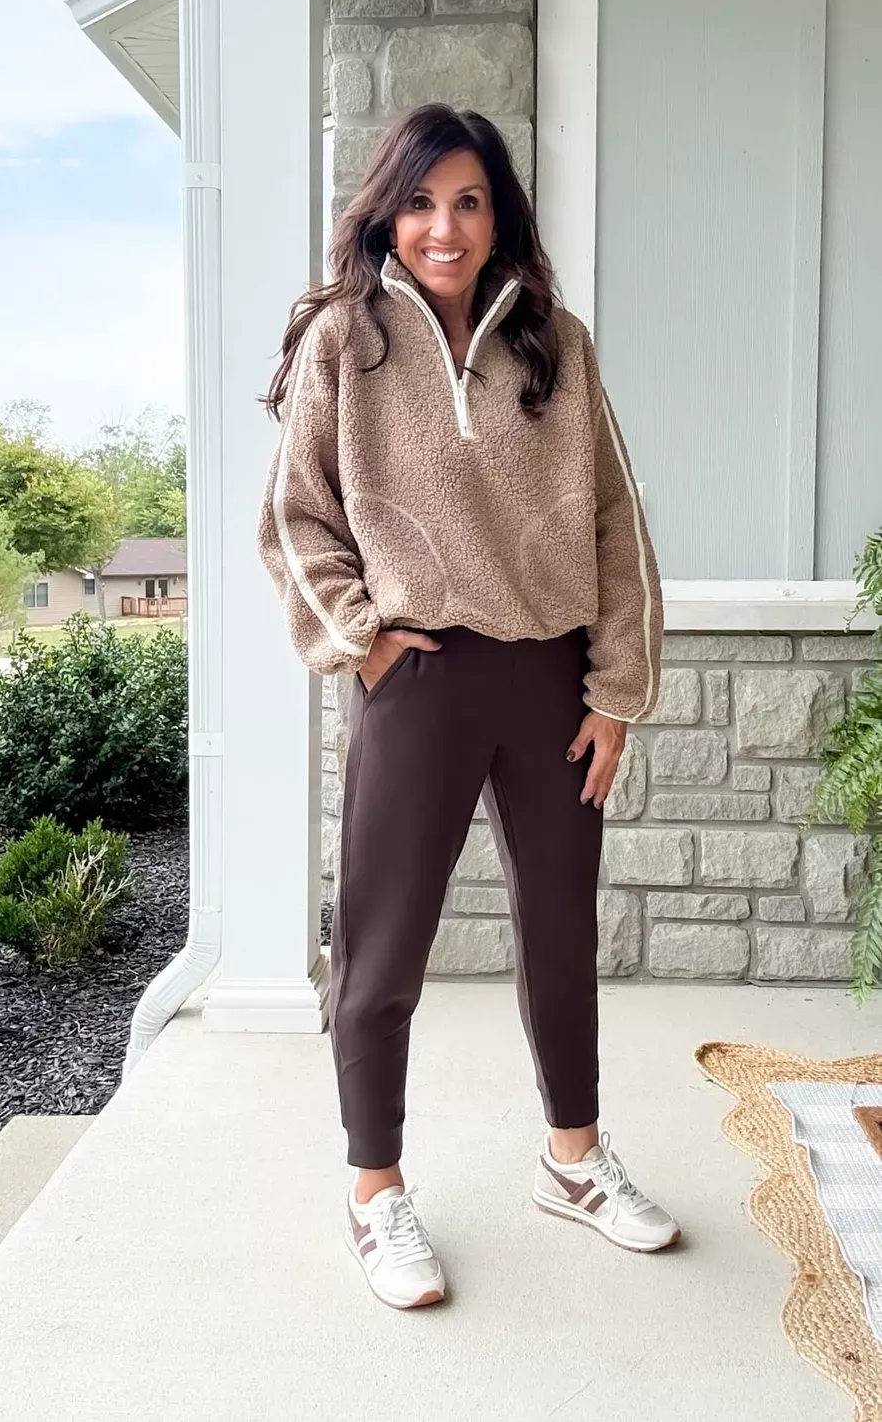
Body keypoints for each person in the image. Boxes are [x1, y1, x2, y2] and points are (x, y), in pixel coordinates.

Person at [258, 103, 680, 1311]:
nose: (445, 227)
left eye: (470, 201)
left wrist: (617, 693)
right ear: (389, 211)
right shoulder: (348, 341)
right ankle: (376, 1191)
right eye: (422, 201)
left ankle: (575, 1161)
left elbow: (615, 522)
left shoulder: (560, 342)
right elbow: (295, 516)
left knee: (561, 935)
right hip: (421, 680)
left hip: (552, 681)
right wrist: (365, 640)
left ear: (500, 216)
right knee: (384, 952)